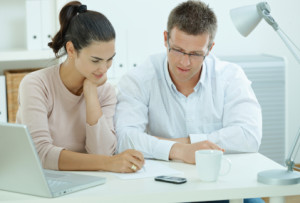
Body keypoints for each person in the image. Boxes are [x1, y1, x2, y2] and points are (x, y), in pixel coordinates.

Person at [115, 1, 262, 176]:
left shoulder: (230, 76)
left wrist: (188, 143)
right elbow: (124, 139)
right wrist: (180, 150)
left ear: (210, 48)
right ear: (165, 39)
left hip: (221, 180)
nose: (185, 62)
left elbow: (249, 136)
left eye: (195, 54)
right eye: (177, 50)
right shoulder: (139, 79)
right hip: (164, 186)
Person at [16, 1, 144, 173]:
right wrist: (107, 163)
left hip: (89, 182)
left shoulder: (104, 91)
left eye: (109, 59)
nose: (104, 68)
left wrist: (91, 93)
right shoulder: (36, 85)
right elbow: (40, 153)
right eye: (96, 60)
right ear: (71, 50)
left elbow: (102, 152)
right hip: (43, 181)